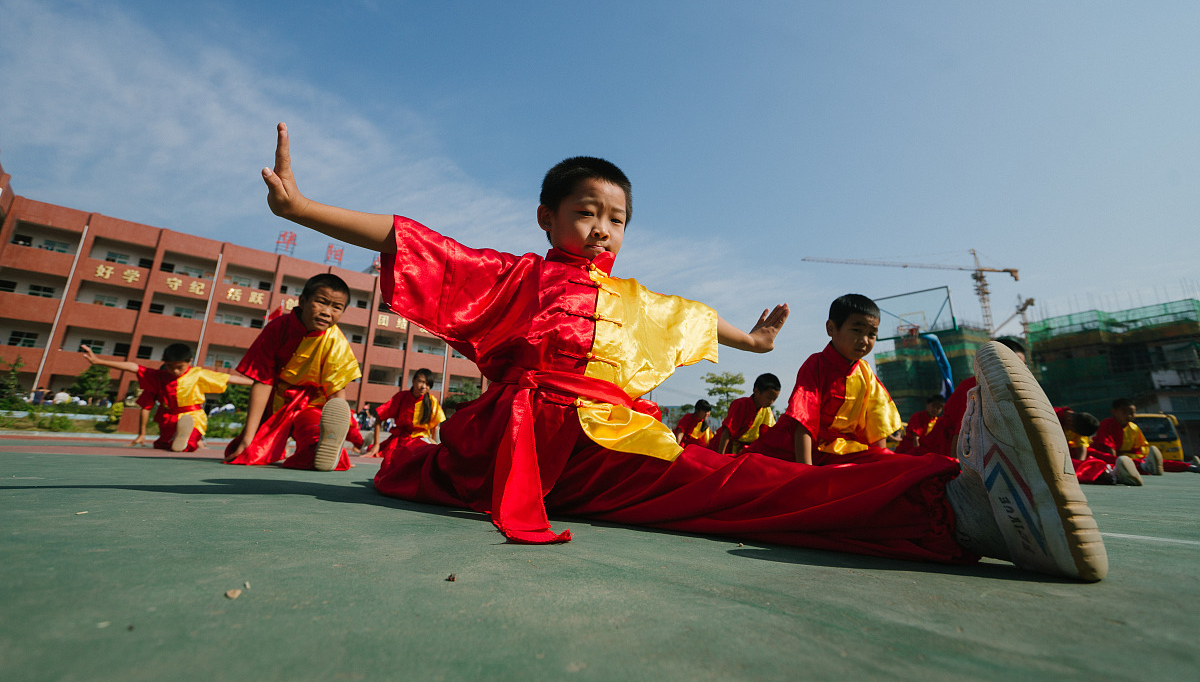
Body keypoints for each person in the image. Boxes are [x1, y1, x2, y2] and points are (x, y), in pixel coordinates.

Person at [257, 122, 1108, 581]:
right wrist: (306, 211)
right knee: (733, 488)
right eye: (587, 210)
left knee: (740, 480)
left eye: (618, 217)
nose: (603, 228)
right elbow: (420, 240)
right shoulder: (519, 274)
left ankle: (963, 498)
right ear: (547, 218)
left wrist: (758, 338)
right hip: (541, 435)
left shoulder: (637, 300)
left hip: (616, 435)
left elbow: (700, 321)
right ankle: (956, 508)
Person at [223, 273, 362, 471]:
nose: (327, 312)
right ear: (303, 301)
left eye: (336, 307)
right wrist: (248, 437)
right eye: (321, 302)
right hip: (275, 400)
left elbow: (336, 396)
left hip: (311, 403)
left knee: (316, 446)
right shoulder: (277, 329)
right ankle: (251, 443)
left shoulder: (336, 342)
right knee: (248, 453)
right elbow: (263, 381)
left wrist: (341, 437)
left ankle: (327, 450)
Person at [742, 295, 901, 466]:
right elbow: (804, 422)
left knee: (902, 466)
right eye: (857, 330)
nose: (864, 340)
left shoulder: (866, 373)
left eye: (871, 334)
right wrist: (806, 472)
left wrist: (881, 466)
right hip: (797, 451)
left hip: (841, 452)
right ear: (831, 328)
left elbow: (877, 426)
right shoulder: (815, 365)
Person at [80, 343, 251, 451]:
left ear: (189, 361)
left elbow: (230, 378)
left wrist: (258, 383)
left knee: (188, 445)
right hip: (168, 417)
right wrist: (100, 361)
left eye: (179, 367)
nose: (174, 371)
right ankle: (177, 437)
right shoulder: (160, 376)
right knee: (161, 445)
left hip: (192, 416)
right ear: (164, 363)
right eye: (170, 367)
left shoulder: (198, 374)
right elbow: (134, 367)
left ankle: (190, 436)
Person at [920, 336, 1028, 459]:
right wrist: (958, 469)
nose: (1021, 369)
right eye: (1014, 363)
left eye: (1023, 364)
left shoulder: (1021, 388)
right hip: (947, 455)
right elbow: (961, 435)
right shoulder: (974, 386)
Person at [1090, 399, 1199, 476]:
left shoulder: (1134, 428)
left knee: (1156, 462)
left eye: (1132, 413)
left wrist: (1140, 457)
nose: (1129, 416)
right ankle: (1186, 466)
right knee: (1140, 463)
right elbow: (1109, 448)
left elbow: (1140, 447)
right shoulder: (1107, 424)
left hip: (1126, 457)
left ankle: (1188, 466)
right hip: (1107, 457)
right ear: (1113, 411)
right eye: (1124, 412)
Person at [363, 368, 445, 458]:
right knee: (378, 453)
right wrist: (376, 444)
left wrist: (433, 447)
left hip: (420, 439)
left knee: (420, 454)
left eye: (428, 384)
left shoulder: (432, 401)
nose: (424, 386)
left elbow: (434, 426)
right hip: (399, 439)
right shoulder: (401, 397)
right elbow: (380, 416)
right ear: (413, 381)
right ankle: (364, 446)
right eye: (421, 381)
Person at [712, 375, 781, 455]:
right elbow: (727, 431)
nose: (771, 402)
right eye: (768, 398)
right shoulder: (740, 404)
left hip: (749, 451)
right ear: (756, 391)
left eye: (774, 399)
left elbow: (770, 435)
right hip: (727, 447)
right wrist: (720, 455)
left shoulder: (767, 411)